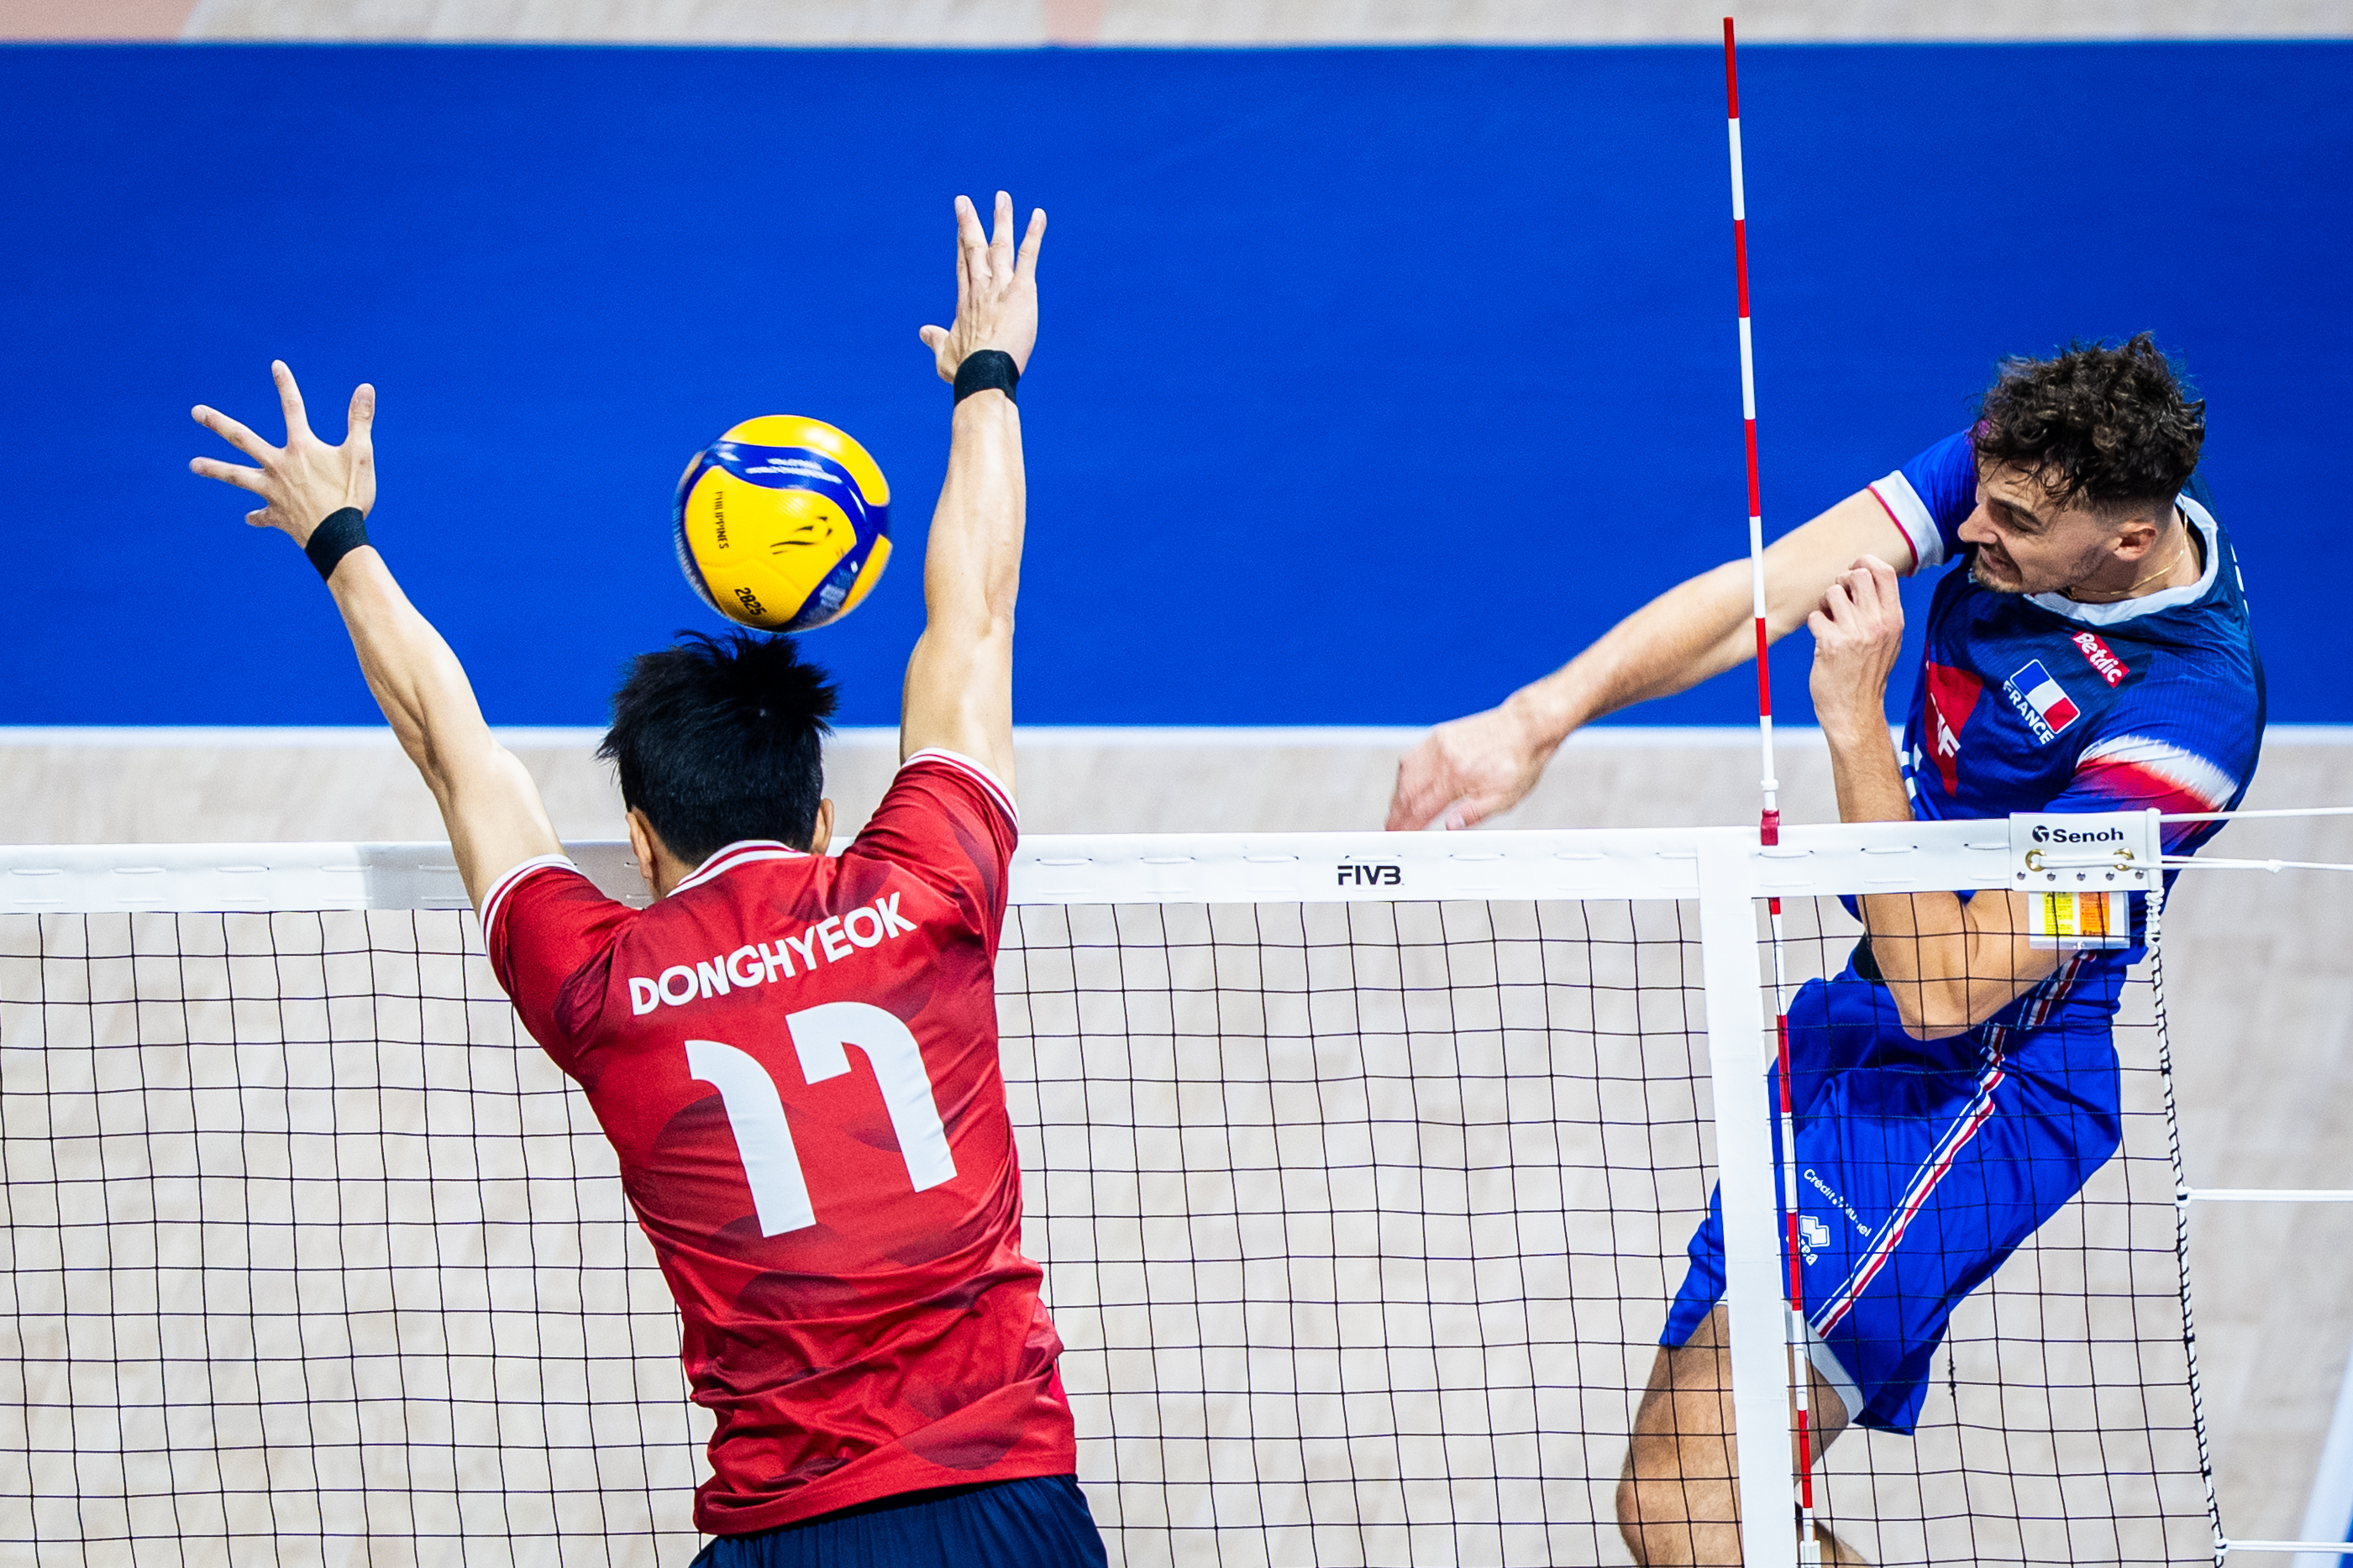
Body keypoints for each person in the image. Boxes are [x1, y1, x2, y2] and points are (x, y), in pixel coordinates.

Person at [188, 191, 1107, 1568]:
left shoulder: (604, 984)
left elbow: (458, 754)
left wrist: (340, 537)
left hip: (790, 1532)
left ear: (635, 834)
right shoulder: (923, 892)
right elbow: (972, 620)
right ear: (823, 816)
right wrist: (988, 375)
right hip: (1013, 1508)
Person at [1387, 336, 2261, 1564]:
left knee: (1696, 1513)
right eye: (1981, 499)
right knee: (1685, 1510)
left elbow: (1949, 986)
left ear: (2126, 538)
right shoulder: (2020, 476)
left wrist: (1852, 716)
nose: (1972, 536)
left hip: (1987, 1088)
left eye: (2007, 522)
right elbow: (1772, 588)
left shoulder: (2185, 730)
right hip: (1859, 1026)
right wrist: (1536, 720)